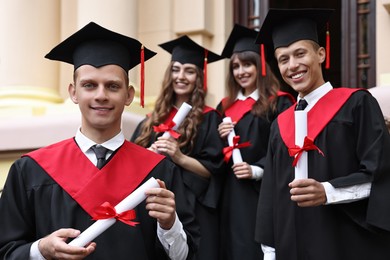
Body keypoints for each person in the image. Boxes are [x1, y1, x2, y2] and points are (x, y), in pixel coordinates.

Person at [0, 22, 200, 260]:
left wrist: (170, 225)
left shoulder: (160, 172)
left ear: (129, 95)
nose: (101, 95)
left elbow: (185, 256)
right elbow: (6, 251)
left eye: (113, 86)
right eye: (89, 85)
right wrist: (40, 250)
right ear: (74, 93)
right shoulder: (31, 170)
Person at [255, 8, 390, 260]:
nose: (292, 65)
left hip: (343, 243)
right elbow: (270, 195)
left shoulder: (356, 105)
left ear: (321, 53)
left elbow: (382, 175)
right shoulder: (280, 124)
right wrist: (269, 251)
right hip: (290, 247)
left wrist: (328, 191)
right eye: (283, 59)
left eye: (300, 53)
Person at [131, 35, 225, 260]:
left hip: (194, 208)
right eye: (176, 69)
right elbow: (131, 165)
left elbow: (214, 171)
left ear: (199, 77)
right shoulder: (151, 120)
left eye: (189, 71)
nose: (181, 76)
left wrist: (179, 156)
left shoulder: (209, 118)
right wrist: (148, 157)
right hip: (154, 203)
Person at [216, 24, 294, 260]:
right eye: (235, 67)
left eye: (247, 64)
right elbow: (213, 156)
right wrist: (219, 136)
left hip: (262, 190)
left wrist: (257, 169)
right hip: (230, 192)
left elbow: (285, 148)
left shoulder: (278, 103)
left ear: (260, 65)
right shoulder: (224, 107)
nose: (241, 72)